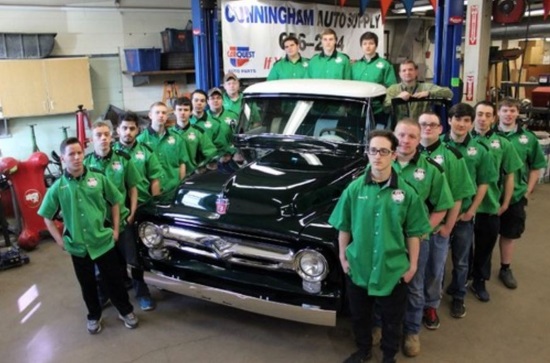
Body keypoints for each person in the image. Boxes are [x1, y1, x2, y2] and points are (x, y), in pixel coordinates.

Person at [329, 130, 431, 363]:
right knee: (360, 317)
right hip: (359, 267)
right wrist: (344, 259)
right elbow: (343, 226)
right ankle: (363, 350)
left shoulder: (406, 193)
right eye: (373, 150)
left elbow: (414, 232)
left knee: (392, 320)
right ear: (367, 153)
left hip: (392, 270)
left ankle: (388, 356)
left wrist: (412, 266)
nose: (378, 156)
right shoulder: (354, 189)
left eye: (384, 151)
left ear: (394, 155)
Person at [38, 137, 138, 334]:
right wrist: (60, 242)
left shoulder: (99, 178)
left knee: (114, 280)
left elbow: (116, 202)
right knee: (88, 284)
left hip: (103, 241)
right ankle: (94, 315)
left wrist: (115, 230)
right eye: (71, 154)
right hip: (78, 246)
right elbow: (46, 217)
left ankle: (125, 311)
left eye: (79, 153)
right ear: (63, 158)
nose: (76, 158)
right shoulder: (58, 187)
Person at [392, 118, 454, 357]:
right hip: (386, 239)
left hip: (418, 241)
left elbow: (442, 206)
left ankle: (411, 333)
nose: (405, 140)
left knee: (415, 288)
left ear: (419, 140)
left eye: (411, 136)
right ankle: (378, 325)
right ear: (394, 135)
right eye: (401, 135)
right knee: (382, 283)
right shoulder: (381, 163)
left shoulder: (431, 169)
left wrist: (421, 231)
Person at [84, 120, 157, 311]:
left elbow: (133, 188)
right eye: (98, 135)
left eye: (106, 134)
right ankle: (103, 295)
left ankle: (142, 293)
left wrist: (132, 212)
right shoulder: (86, 164)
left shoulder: (123, 159)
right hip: (100, 225)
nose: (103, 138)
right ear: (92, 139)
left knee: (132, 261)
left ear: (111, 136)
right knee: (101, 266)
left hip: (123, 221)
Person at [417, 112, 475, 330]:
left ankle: (430, 306)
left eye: (433, 125)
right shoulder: (408, 154)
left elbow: (459, 194)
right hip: (411, 229)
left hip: (437, 227)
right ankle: (410, 305)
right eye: (423, 124)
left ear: (441, 129)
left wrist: (448, 227)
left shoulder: (452, 156)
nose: (428, 128)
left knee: (435, 269)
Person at [441, 103, 498, 318]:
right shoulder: (438, 147)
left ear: (471, 123)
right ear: (449, 120)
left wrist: (472, 210)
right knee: (436, 260)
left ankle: (458, 296)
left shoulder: (480, 150)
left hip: (464, 215)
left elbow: (484, 182)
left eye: (466, 120)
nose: (462, 124)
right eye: (457, 119)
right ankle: (432, 297)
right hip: (440, 215)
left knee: (462, 259)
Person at [470, 101, 523, 301]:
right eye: (479, 114)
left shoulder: (503, 144)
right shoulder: (462, 141)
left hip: (490, 206)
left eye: (487, 115)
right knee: (463, 246)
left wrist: (505, 203)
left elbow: (510, 175)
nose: (483, 118)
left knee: (485, 246)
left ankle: (479, 281)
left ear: (494, 118)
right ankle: (463, 277)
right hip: (464, 207)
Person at [495, 98, 546, 289]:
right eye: (505, 110)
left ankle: (505, 268)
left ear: (518, 114)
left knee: (509, 233)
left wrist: (527, 190)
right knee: (481, 234)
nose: (509, 114)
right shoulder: (486, 136)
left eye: (512, 111)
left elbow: (536, 166)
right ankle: (476, 270)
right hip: (489, 196)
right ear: (498, 113)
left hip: (516, 195)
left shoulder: (528, 138)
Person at [137, 101, 189, 193]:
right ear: (150, 115)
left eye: (164, 113)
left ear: (167, 116)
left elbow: (182, 164)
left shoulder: (177, 138)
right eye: (157, 112)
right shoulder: (140, 141)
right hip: (150, 192)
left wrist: (181, 186)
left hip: (173, 189)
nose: (161, 115)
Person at [114, 111, 162, 204]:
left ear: (137, 130)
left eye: (132, 128)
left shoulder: (146, 152)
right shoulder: (111, 154)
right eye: (124, 128)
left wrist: (156, 204)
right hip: (119, 206)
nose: (128, 132)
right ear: (118, 130)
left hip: (143, 202)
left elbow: (155, 180)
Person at [351, 31, 397, 128]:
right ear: (361, 46)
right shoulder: (354, 66)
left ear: (376, 45)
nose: (368, 46)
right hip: (356, 110)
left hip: (377, 110)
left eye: (371, 43)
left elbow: (392, 87)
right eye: (365, 44)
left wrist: (385, 107)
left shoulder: (385, 65)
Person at [384, 60, 453, 122]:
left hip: (422, 129)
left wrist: (429, 93)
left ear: (416, 72)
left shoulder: (426, 87)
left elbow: (449, 93)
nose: (407, 72)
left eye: (410, 69)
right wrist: (397, 98)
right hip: (401, 130)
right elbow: (385, 109)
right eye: (404, 70)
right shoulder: (392, 89)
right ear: (399, 74)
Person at [172, 97, 218, 174]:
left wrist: (202, 166)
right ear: (174, 112)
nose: (182, 112)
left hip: (192, 175)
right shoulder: (168, 134)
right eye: (179, 109)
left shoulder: (198, 132)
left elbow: (211, 153)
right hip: (173, 177)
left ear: (191, 112)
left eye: (186, 110)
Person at [190, 89, 229, 155]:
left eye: (202, 101)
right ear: (191, 102)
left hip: (209, 163)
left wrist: (213, 160)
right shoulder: (184, 122)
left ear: (206, 103)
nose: (199, 103)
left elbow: (221, 147)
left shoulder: (215, 124)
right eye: (196, 100)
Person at [206, 87, 238, 155]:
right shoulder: (203, 118)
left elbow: (239, 137)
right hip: (210, 159)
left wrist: (236, 153)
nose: (216, 100)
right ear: (208, 101)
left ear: (223, 100)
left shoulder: (233, 116)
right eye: (212, 98)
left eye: (218, 98)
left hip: (230, 156)